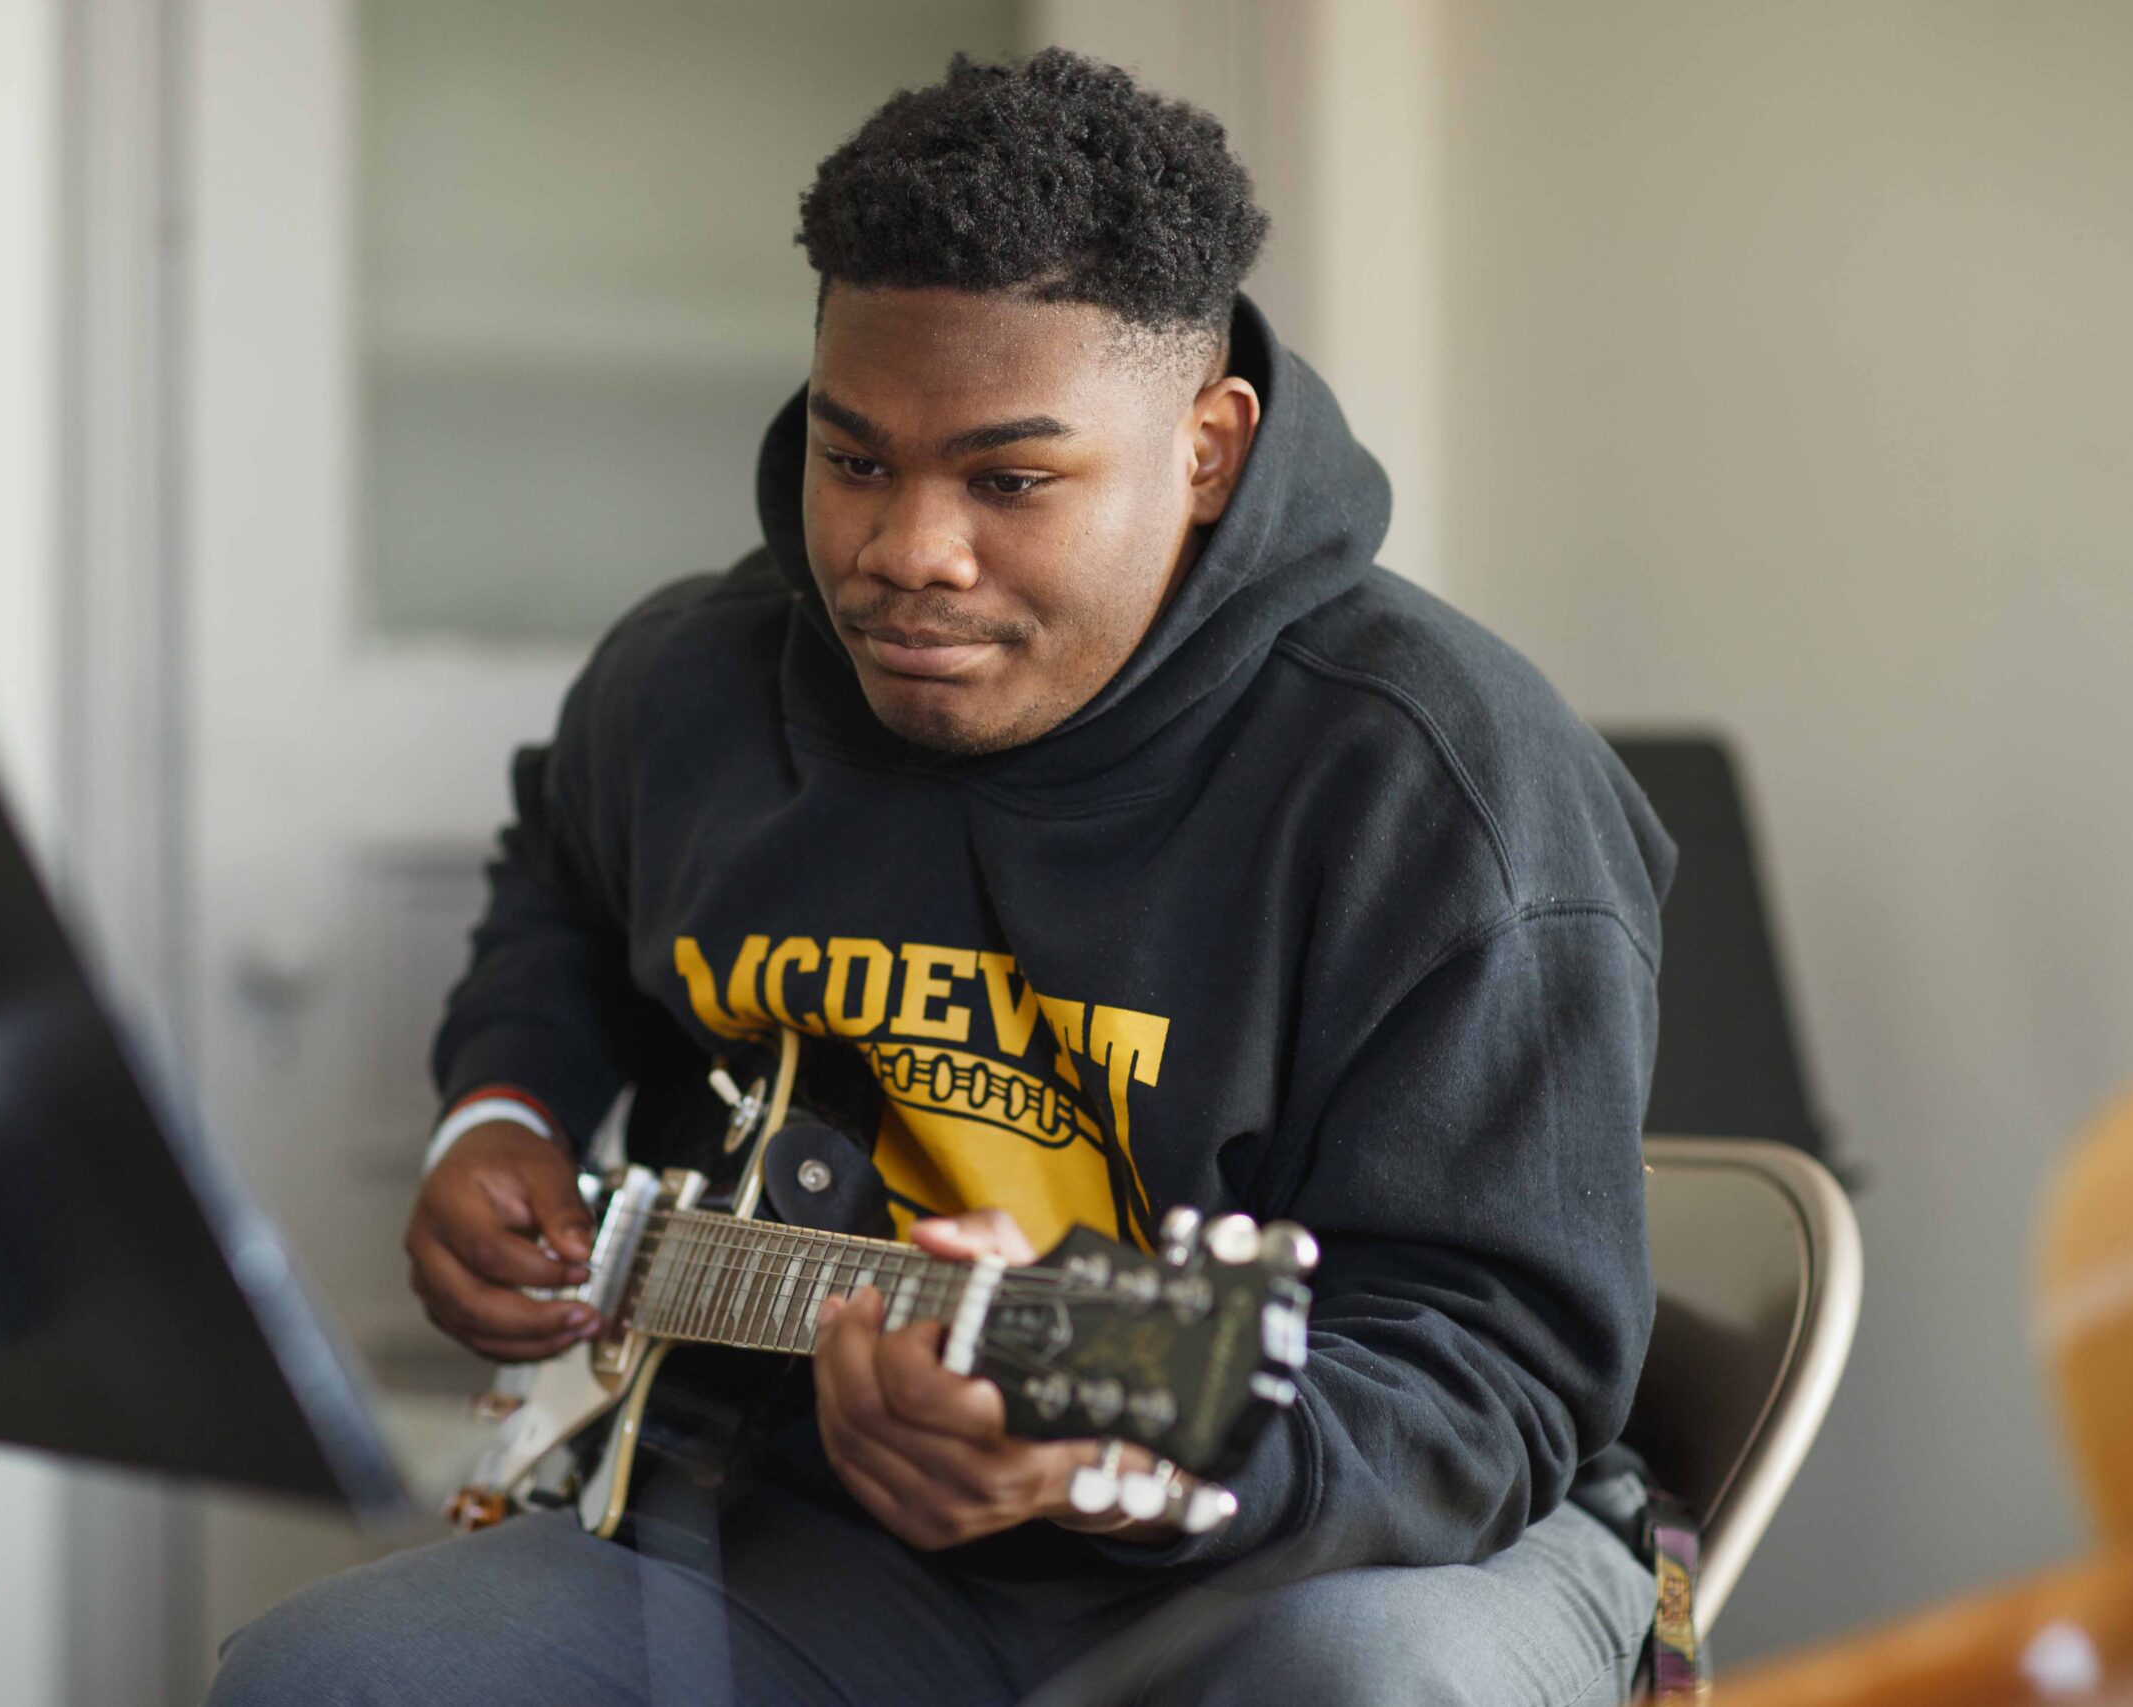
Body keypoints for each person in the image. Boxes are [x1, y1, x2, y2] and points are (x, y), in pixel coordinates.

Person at [209, 48, 1672, 1707]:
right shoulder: (696, 687)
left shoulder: (1446, 787)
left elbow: (1486, 1365)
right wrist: (505, 1110)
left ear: (1206, 447)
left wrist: (1126, 1472)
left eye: (1010, 479)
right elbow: (560, 868)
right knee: (330, 1681)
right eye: (856, 460)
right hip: (818, 1539)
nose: (907, 549)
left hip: (1326, 1545)